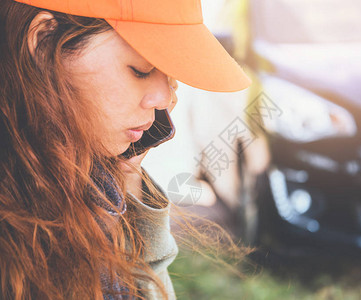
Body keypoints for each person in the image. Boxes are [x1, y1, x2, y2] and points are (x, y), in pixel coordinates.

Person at [0, 0, 251, 299]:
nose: (166, 99)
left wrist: (128, 180)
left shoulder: (93, 175)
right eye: (141, 70)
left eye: (170, 76)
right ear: (43, 40)